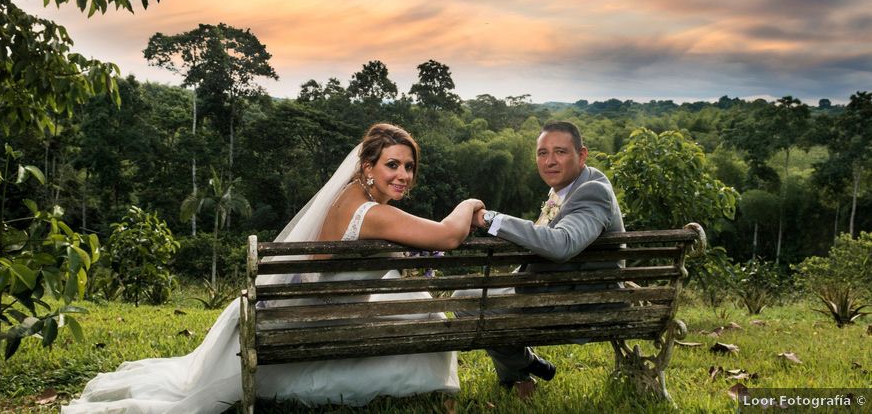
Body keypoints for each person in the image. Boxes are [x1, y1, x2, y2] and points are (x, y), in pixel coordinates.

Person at [63, 123, 484, 413]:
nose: (403, 175)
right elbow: (448, 236)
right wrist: (470, 204)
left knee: (412, 298)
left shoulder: (347, 198)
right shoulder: (372, 213)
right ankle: (438, 394)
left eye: (409, 166)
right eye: (392, 164)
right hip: (318, 322)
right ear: (367, 167)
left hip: (295, 310)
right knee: (425, 309)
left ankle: (429, 391)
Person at [464, 121, 625, 393]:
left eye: (560, 152)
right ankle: (523, 373)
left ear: (581, 155)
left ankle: (522, 369)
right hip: (552, 289)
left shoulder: (592, 192)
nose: (549, 161)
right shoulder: (572, 187)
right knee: (469, 296)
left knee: (468, 304)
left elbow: (561, 244)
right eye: (542, 153)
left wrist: (490, 219)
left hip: (579, 304)